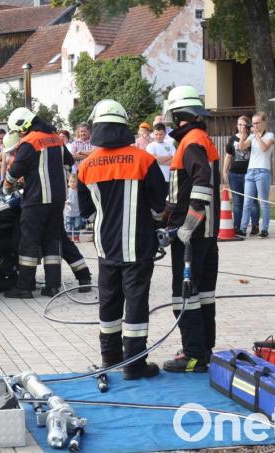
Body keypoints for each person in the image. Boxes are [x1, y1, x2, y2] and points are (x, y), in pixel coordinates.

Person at [76, 99, 167, 380]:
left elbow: (86, 211)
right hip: (138, 246)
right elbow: (159, 205)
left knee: (109, 303)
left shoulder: (86, 166)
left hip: (105, 247)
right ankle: (134, 363)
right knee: (136, 303)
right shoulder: (144, 160)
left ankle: (110, 358)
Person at [161, 85, 221, 373]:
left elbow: (200, 182)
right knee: (203, 295)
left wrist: (186, 226)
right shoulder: (201, 138)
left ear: (178, 114)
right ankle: (204, 349)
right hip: (207, 234)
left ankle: (193, 355)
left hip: (191, 236)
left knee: (183, 295)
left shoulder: (191, 142)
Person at [3, 107, 74, 298]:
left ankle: (24, 287)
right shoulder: (57, 139)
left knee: (29, 242)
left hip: (36, 200)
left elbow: (14, 172)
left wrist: (6, 188)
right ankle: (52, 286)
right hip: (57, 200)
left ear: (23, 126)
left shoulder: (29, 142)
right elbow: (69, 161)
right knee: (52, 241)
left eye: (18, 131)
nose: (18, 135)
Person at [239, 112, 275, 238]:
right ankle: (243, 229)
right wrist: (243, 134)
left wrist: (256, 136)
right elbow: (241, 147)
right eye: (253, 123)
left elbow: (264, 148)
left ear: (264, 122)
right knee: (247, 202)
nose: (255, 125)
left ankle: (264, 229)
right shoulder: (252, 136)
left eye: (257, 123)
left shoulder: (270, 135)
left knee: (263, 202)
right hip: (250, 171)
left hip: (263, 171)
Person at [223, 116, 259, 237]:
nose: (241, 127)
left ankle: (255, 225)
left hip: (249, 173)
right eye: (239, 124)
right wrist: (224, 171)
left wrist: (247, 134)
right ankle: (237, 226)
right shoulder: (232, 138)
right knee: (237, 202)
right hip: (234, 173)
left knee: (252, 200)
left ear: (248, 126)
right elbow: (228, 155)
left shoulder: (252, 138)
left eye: (243, 124)